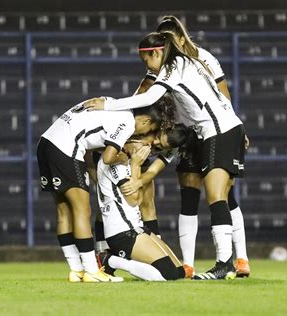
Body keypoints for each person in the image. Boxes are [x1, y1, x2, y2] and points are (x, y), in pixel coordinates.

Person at [82, 31, 245, 280]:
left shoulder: (175, 66)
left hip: (218, 131)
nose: (146, 66)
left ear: (159, 51)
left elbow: (149, 97)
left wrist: (109, 104)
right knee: (217, 196)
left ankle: (228, 262)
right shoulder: (184, 69)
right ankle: (105, 251)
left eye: (147, 60)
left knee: (217, 196)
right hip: (222, 128)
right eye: (155, 142)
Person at [129, 16, 251, 278]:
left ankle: (237, 259)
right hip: (191, 133)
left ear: (179, 40)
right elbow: (143, 96)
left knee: (222, 195)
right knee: (193, 196)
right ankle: (191, 264)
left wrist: (236, 124)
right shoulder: (162, 67)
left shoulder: (198, 59)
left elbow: (222, 95)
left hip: (215, 129)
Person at [37, 98, 163, 282]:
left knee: (63, 211)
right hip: (66, 149)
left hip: (46, 144)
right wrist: (126, 160)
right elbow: (108, 158)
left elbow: (89, 145)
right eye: (150, 131)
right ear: (146, 121)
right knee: (82, 210)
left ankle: (76, 270)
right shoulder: (127, 122)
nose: (145, 135)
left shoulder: (110, 105)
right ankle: (91, 270)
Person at [95, 138, 185, 281]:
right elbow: (134, 200)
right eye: (143, 143)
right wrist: (136, 165)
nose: (148, 148)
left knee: (180, 272)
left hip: (136, 227)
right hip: (122, 232)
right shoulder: (115, 163)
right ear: (129, 139)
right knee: (169, 274)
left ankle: (117, 259)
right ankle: (109, 260)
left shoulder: (126, 161)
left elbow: (140, 198)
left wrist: (135, 166)